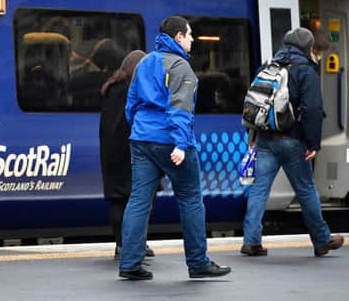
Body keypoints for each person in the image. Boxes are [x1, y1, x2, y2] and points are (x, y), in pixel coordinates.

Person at [118, 16, 231, 280]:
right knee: (191, 199)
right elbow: (180, 109)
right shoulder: (182, 68)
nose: (192, 40)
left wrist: (139, 129)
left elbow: (131, 103)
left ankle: (130, 263)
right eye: (190, 35)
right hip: (171, 142)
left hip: (142, 140)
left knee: (138, 200)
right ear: (178, 36)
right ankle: (198, 262)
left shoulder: (144, 62)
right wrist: (180, 143)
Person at [241, 28, 344, 257]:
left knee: (259, 189)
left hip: (266, 139)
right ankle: (321, 239)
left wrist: (253, 137)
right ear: (307, 47)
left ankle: (251, 242)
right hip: (292, 140)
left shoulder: (269, 66)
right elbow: (313, 110)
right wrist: (313, 143)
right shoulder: (306, 71)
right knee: (306, 189)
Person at [99, 50, 158, 260]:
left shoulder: (111, 88)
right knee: (138, 200)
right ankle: (134, 244)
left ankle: (123, 244)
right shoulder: (133, 89)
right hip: (130, 150)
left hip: (111, 151)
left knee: (118, 199)